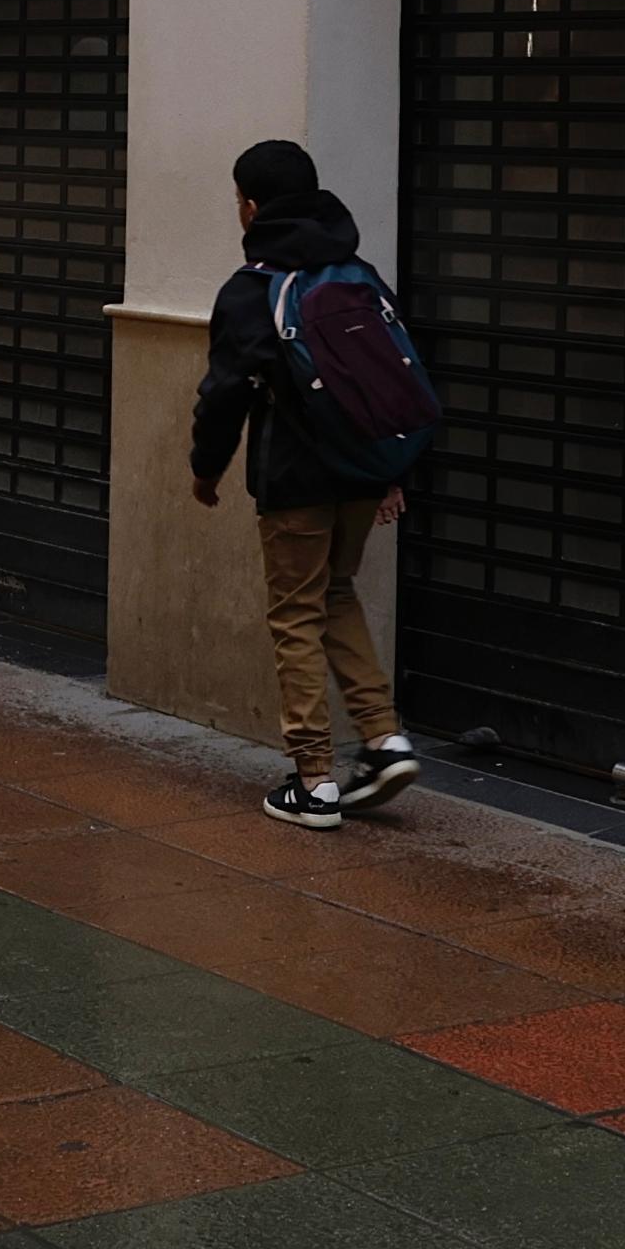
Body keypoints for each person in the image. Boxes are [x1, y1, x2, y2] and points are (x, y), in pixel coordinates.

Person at [189, 136, 424, 831]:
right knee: (335, 591)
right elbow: (390, 377)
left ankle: (315, 778)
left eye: (239, 200)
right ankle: (384, 738)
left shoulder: (250, 290)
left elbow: (223, 395)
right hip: (361, 475)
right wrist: (391, 471)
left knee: (294, 613)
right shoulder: (356, 271)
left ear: (253, 206)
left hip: (295, 481)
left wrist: (206, 469)